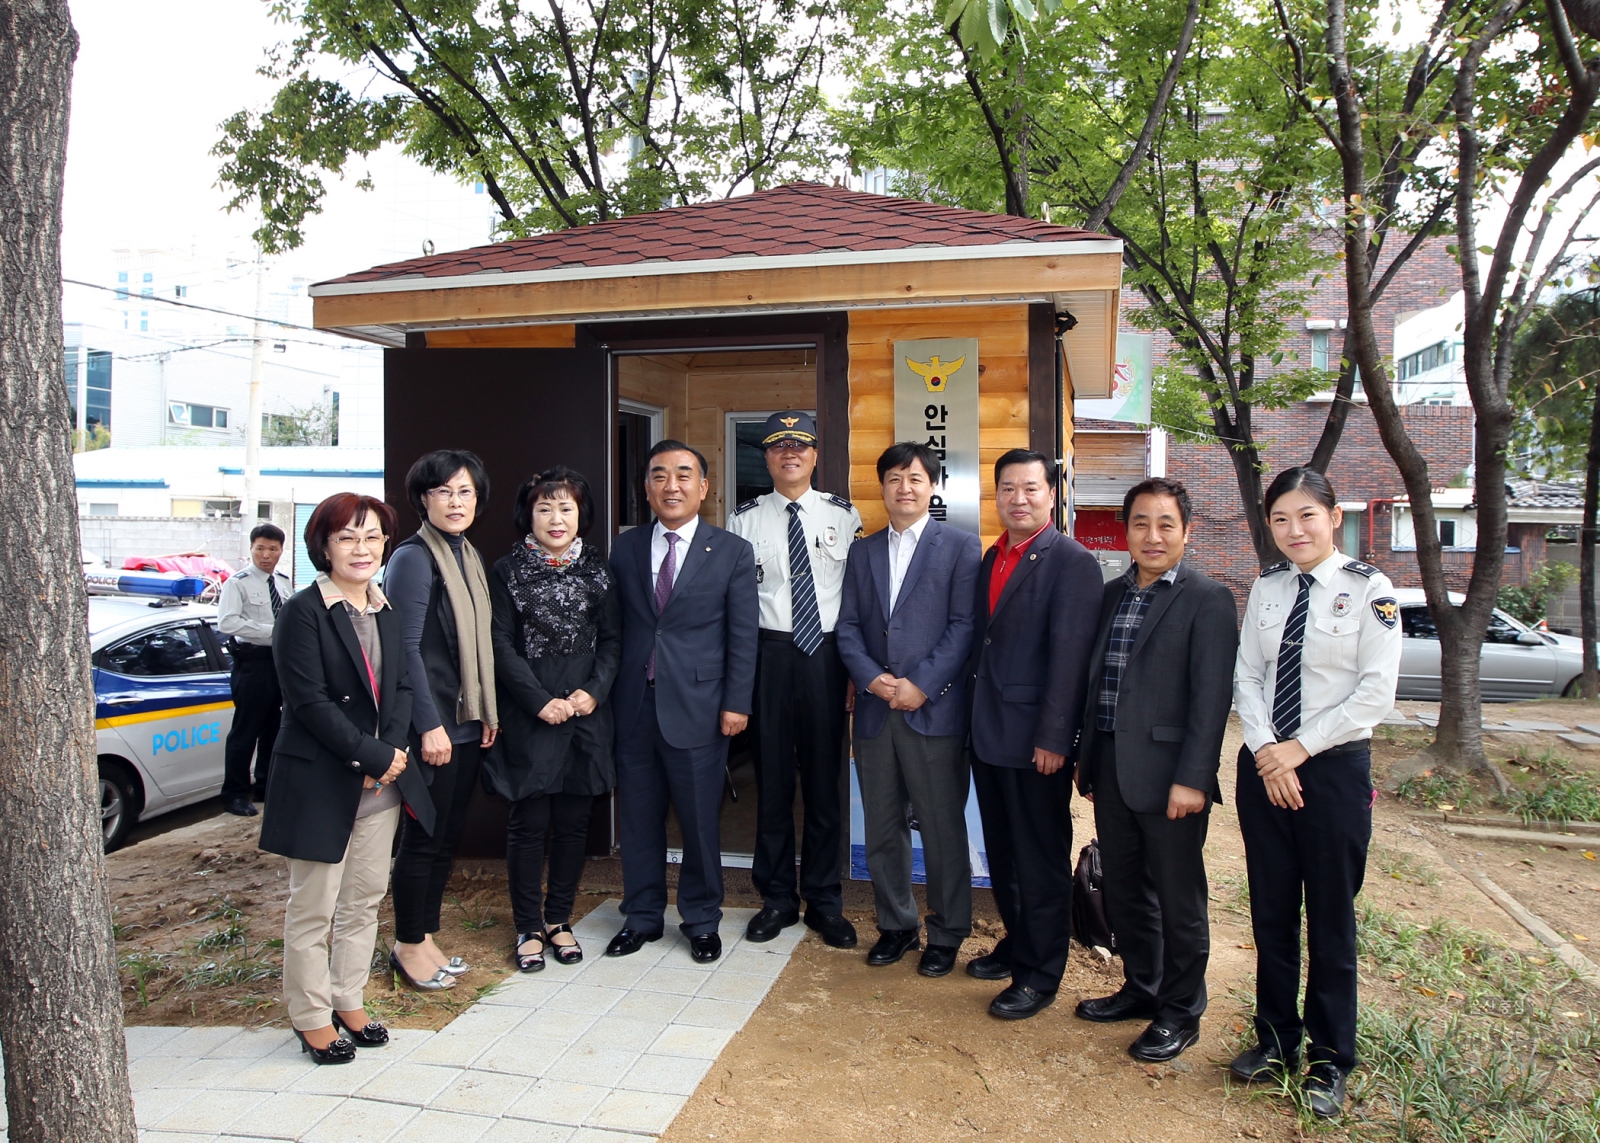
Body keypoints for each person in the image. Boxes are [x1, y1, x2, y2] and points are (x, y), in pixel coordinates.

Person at [1231, 466, 1402, 1118]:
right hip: (1264, 767)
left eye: (1307, 515)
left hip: (1330, 772)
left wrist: (1297, 750)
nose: (1294, 529)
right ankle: (1275, 1039)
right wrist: (1269, 753)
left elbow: (1374, 693)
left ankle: (1331, 1060)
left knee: (1330, 920)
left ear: (1334, 516)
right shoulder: (1268, 588)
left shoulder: (1370, 591)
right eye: (1280, 518)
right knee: (1271, 912)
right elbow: (1247, 675)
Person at [260, 493, 433, 1064]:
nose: (362, 548)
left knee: (363, 902)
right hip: (322, 782)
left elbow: (403, 688)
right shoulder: (302, 611)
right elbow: (308, 703)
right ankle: (310, 1017)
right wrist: (371, 756)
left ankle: (347, 999)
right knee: (313, 907)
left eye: (373, 537)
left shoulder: (386, 608)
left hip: (381, 783)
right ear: (324, 545)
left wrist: (392, 753)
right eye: (347, 537)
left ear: (386, 544)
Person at [1072, 477, 1238, 1063]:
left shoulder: (1207, 598)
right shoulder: (1113, 593)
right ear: (1125, 531)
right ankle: (1141, 989)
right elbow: (1099, 686)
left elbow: (1211, 698)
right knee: (1125, 888)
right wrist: (1087, 759)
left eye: (1166, 524)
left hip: (1172, 776)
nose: (1152, 535)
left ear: (1186, 532)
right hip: (1113, 766)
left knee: (1178, 897)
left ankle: (1180, 1011)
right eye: (1140, 523)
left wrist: (1193, 778)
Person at [606, 440, 759, 964]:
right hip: (633, 705)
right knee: (638, 819)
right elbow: (616, 630)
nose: (671, 485)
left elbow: (743, 636)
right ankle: (642, 916)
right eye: (659, 475)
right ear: (646, 487)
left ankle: (701, 919)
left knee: (698, 821)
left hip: (700, 704)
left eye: (683, 475)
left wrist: (737, 703)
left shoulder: (732, 551)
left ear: (704, 487)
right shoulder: (624, 549)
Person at [836, 441, 982, 976]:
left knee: (942, 827)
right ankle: (896, 925)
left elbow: (965, 626)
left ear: (933, 486)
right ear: (882, 487)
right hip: (876, 712)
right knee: (882, 826)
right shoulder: (863, 551)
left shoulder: (962, 547)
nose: (905, 488)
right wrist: (873, 680)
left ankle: (946, 932)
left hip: (933, 711)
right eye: (895, 478)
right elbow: (848, 625)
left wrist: (921, 684)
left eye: (916, 478)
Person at [965, 448, 1102, 1020]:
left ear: (1052, 494)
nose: (1018, 499)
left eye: (1030, 489)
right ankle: (1018, 944)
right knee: (1003, 854)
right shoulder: (992, 556)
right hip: (989, 734)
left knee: (1040, 859)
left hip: (1035, 743)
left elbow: (1071, 661)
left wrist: (1056, 740)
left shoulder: (1070, 562)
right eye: (1007, 489)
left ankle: (1041, 973)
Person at [728, 410, 862, 949]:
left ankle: (825, 900)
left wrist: (854, 669)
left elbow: (858, 600)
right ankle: (777, 897)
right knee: (774, 782)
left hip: (826, 657)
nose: (790, 454)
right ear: (766, 457)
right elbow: (736, 607)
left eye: (799, 446)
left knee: (825, 783)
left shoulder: (843, 515)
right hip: (769, 656)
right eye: (779, 446)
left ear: (813, 455)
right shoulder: (744, 519)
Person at [486, 467, 620, 971]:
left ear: (581, 514)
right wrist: (538, 700)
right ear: (529, 514)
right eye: (545, 508)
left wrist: (594, 692)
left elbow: (612, 640)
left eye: (565, 508)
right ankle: (526, 926)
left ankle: (559, 919)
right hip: (531, 712)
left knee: (573, 824)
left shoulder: (600, 571)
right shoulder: (507, 570)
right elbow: (499, 644)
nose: (556, 518)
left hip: (586, 713)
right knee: (529, 822)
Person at [383, 450, 500, 992]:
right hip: (432, 726)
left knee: (446, 836)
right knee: (424, 838)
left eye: (465, 492)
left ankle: (425, 936)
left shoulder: (466, 554)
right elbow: (404, 649)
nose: (456, 502)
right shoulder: (414, 557)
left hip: (464, 722)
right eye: (443, 492)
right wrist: (428, 725)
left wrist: (483, 714)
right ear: (423, 499)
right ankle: (407, 945)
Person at [216, 522, 292, 816]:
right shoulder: (238, 583)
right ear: (251, 549)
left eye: (273, 549)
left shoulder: (283, 583)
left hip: (278, 664)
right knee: (245, 730)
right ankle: (234, 794)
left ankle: (265, 787)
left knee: (273, 729)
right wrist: (272, 631)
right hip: (252, 663)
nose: (266, 555)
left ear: (280, 551)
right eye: (260, 548)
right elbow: (227, 623)